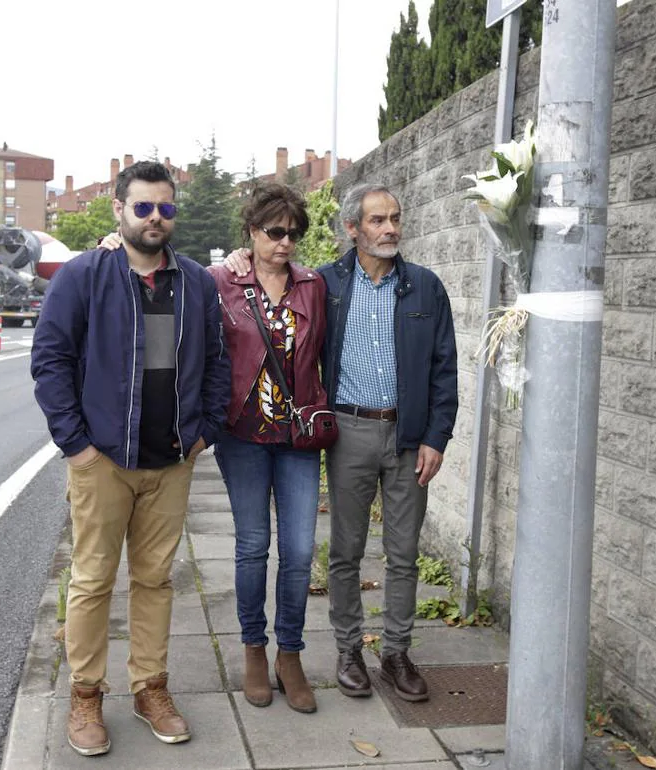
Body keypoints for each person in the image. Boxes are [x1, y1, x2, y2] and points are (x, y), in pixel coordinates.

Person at [224, 182, 457, 704]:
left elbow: (445, 367)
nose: (390, 228)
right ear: (352, 229)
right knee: (345, 552)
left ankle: (396, 651)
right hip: (347, 432)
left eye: (395, 218)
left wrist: (436, 437)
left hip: (409, 436)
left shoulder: (425, 287)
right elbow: (265, 281)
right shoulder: (324, 284)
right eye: (377, 220)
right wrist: (244, 254)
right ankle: (349, 650)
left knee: (404, 552)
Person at [102, 183, 328, 713]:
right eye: (275, 232)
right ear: (251, 231)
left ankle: (289, 653)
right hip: (242, 435)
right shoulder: (219, 280)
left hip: (297, 436)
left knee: (298, 552)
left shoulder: (313, 285)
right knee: (253, 545)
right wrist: (111, 243)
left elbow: (327, 351)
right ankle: (254, 648)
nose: (285, 243)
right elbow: (155, 274)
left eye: (294, 233)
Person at [31, 160, 231, 756]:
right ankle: (86, 697)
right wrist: (78, 447)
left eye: (165, 208)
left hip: (171, 460)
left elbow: (218, 363)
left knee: (155, 580)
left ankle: (150, 689)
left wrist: (204, 432)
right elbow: (50, 360)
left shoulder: (195, 282)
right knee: (92, 580)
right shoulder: (85, 276)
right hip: (104, 461)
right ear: (119, 210)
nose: (154, 218)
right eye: (143, 207)